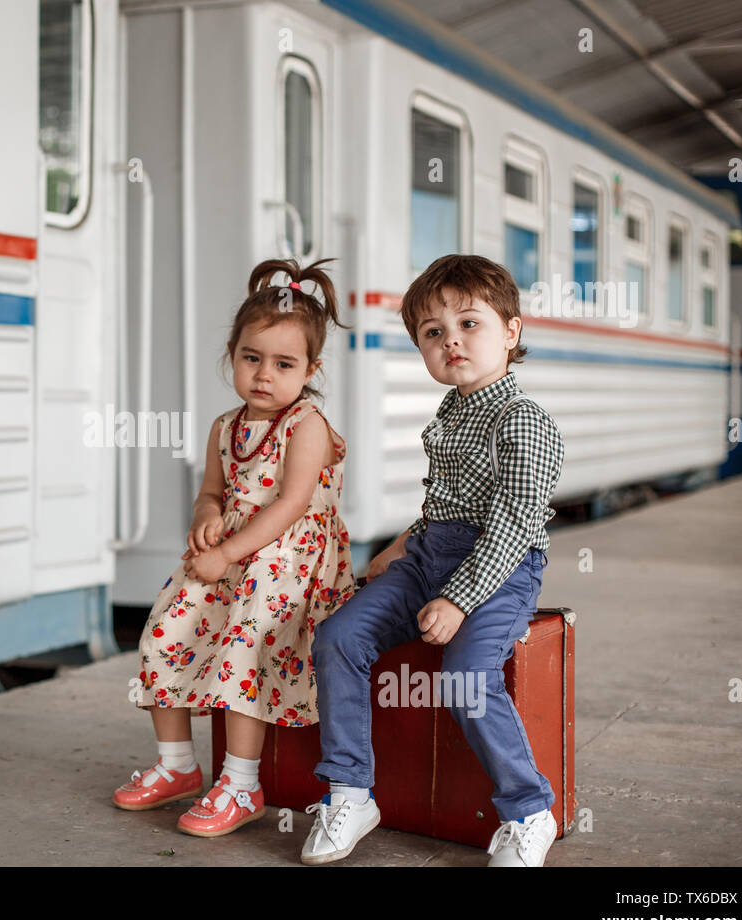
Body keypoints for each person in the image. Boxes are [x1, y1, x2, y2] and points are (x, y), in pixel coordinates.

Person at [301, 254, 565, 867]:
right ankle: (350, 791)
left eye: (470, 324)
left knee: (467, 675)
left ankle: (529, 810)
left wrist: (459, 599)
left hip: (498, 570)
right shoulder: (452, 412)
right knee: (339, 637)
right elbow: (446, 504)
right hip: (429, 557)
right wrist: (401, 545)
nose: (452, 342)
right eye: (433, 333)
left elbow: (513, 522)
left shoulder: (523, 421)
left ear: (512, 331)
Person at [113, 257, 359, 837]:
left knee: (242, 649)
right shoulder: (226, 426)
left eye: (283, 363)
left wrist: (228, 554)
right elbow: (211, 491)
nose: (263, 375)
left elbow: (291, 504)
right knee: (165, 629)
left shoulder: (308, 424)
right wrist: (206, 517)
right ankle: (177, 766)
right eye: (251, 358)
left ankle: (242, 784)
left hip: (290, 561)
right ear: (232, 356)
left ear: (311, 369)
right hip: (230, 555)